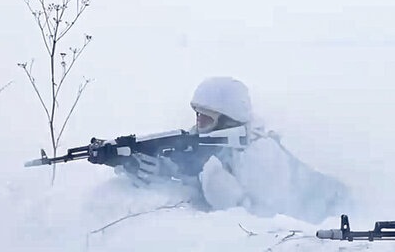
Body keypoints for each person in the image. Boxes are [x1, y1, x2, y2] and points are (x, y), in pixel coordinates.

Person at [122, 76, 351, 225]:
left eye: (207, 118)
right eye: (197, 115)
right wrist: (162, 170)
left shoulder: (259, 153)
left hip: (334, 209)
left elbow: (275, 219)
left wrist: (232, 199)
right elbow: (192, 174)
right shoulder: (216, 146)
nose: (199, 124)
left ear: (228, 121)